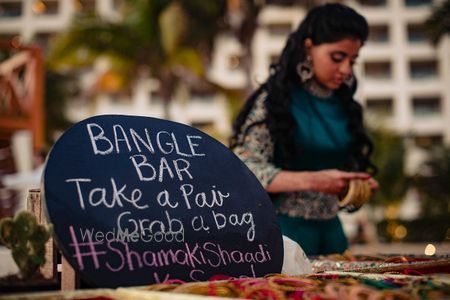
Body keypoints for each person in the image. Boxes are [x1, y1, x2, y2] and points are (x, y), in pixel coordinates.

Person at [230, 3, 379, 256]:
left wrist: (354, 187)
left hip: (333, 236)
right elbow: (244, 169)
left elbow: (340, 177)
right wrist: (315, 180)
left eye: (352, 60)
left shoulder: (345, 106)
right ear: (309, 48)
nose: (345, 70)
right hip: (284, 236)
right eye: (337, 57)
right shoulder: (276, 101)